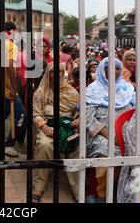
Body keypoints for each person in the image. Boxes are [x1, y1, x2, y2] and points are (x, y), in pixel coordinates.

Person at [85, 57, 136, 202]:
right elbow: (88, 118)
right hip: (102, 134)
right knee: (106, 154)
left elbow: (136, 112)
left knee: (139, 152)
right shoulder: (92, 90)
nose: (114, 71)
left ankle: (127, 195)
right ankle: (102, 194)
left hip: (126, 133)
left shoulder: (127, 89)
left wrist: (126, 133)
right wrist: (108, 133)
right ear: (103, 70)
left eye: (117, 68)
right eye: (110, 67)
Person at [32, 63, 80, 202]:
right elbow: (36, 113)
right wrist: (43, 126)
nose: (57, 74)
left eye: (60, 71)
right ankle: (38, 187)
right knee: (45, 145)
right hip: (49, 127)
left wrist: (79, 119)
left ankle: (77, 189)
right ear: (48, 73)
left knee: (77, 147)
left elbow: (80, 111)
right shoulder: (41, 92)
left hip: (67, 128)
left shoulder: (72, 92)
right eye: (53, 71)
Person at [0, 22, 27, 157]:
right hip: (7, 88)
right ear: (11, 31)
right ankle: (9, 144)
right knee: (22, 115)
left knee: (1, 115)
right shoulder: (11, 45)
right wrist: (13, 87)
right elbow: (9, 65)